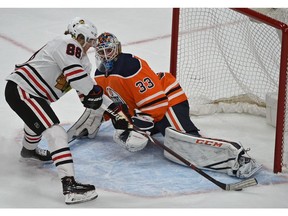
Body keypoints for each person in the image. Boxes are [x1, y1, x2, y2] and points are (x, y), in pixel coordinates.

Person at [68, 32, 262, 179]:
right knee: (169, 146)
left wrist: (141, 127)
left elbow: (156, 101)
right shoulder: (100, 75)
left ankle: (237, 158)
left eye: (108, 50)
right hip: (148, 110)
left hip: (168, 100)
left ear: (117, 49)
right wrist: (124, 126)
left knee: (183, 145)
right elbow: (113, 107)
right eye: (101, 52)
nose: (105, 56)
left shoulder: (130, 65)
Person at [4, 17, 112, 204]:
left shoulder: (82, 61)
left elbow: (86, 92)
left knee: (36, 124)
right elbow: (79, 80)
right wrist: (94, 94)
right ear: (80, 37)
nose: (92, 45)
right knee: (56, 133)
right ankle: (70, 186)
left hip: (32, 94)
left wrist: (114, 108)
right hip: (24, 90)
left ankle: (28, 152)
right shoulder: (66, 43)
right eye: (90, 41)